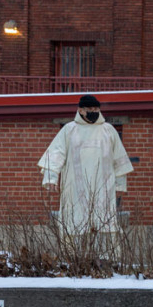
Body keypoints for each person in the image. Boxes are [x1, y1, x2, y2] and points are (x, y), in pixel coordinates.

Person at [37, 95, 134, 236]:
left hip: (104, 187)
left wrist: (119, 185)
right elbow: (55, 155)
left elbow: (119, 160)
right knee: (74, 223)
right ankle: (74, 258)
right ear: (80, 110)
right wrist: (51, 178)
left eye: (96, 109)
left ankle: (106, 258)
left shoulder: (108, 130)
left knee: (104, 223)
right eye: (90, 109)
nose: (93, 111)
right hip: (75, 187)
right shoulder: (69, 130)